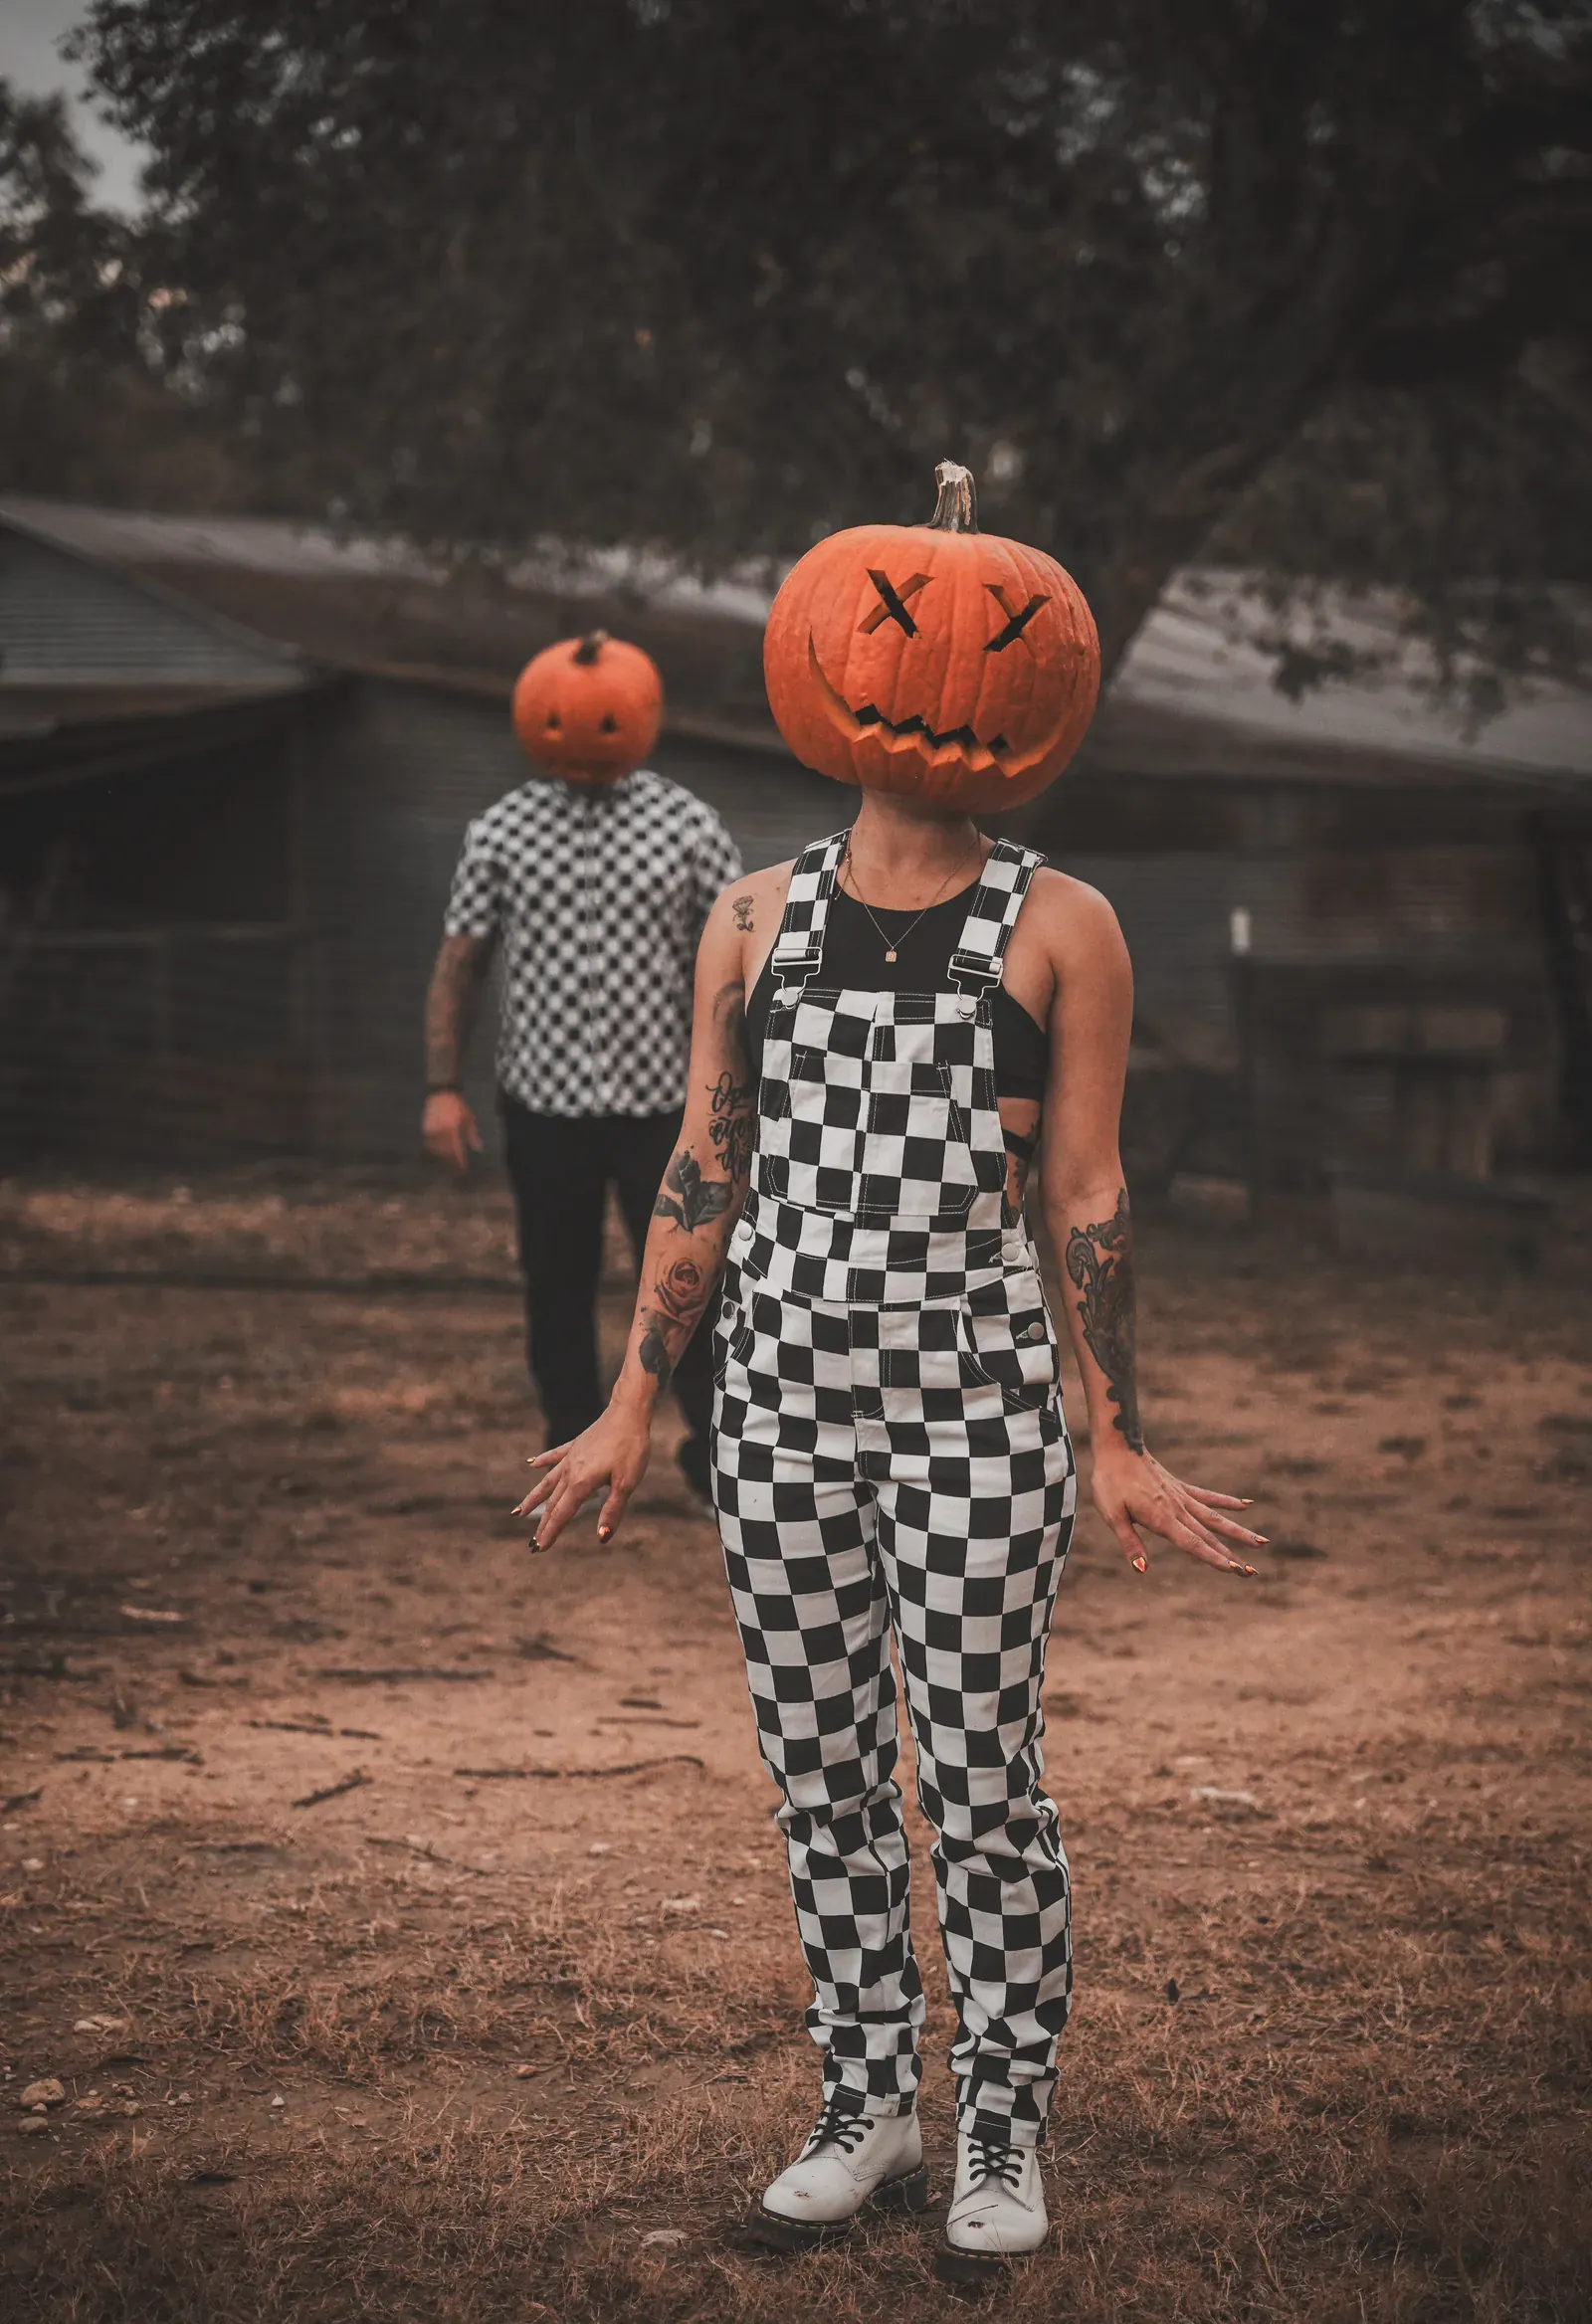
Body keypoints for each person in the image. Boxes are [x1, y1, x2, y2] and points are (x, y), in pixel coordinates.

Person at [517, 789, 1262, 2284]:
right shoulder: (749, 916)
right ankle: (867, 2107)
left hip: (977, 1418)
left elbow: (1084, 1187)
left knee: (982, 1782)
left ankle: (1001, 2117)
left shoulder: (1064, 923)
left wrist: (1111, 1430)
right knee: (822, 1783)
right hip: (775, 1416)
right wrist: (627, 1403)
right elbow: (703, 1168)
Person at [423, 750, 741, 1503]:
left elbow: (736, 960)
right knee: (555, 1284)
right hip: (544, 1105)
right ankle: (571, 1457)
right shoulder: (500, 830)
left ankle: (713, 1465)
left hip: (663, 1103)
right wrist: (442, 1086)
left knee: (689, 1279)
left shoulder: (689, 824)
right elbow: (460, 962)